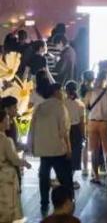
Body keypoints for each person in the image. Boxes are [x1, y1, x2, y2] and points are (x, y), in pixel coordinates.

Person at [29, 81, 73, 217]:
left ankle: (44, 203)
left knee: (44, 176)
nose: (63, 94)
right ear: (56, 92)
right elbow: (64, 130)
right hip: (58, 149)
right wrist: (69, 147)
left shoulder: (39, 107)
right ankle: (68, 201)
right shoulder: (60, 106)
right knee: (64, 178)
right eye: (61, 91)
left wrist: (32, 146)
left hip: (43, 149)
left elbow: (32, 128)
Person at [0, 107, 31, 223]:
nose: (9, 122)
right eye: (7, 119)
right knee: (7, 206)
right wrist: (25, 163)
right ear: (1, 122)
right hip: (5, 177)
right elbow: (14, 159)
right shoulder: (6, 140)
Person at [64, 81, 85, 190]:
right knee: (75, 155)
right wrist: (83, 135)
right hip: (76, 130)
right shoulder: (80, 104)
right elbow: (82, 122)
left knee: (64, 154)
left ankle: (64, 179)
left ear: (66, 90)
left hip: (64, 130)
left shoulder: (62, 103)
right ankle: (69, 180)